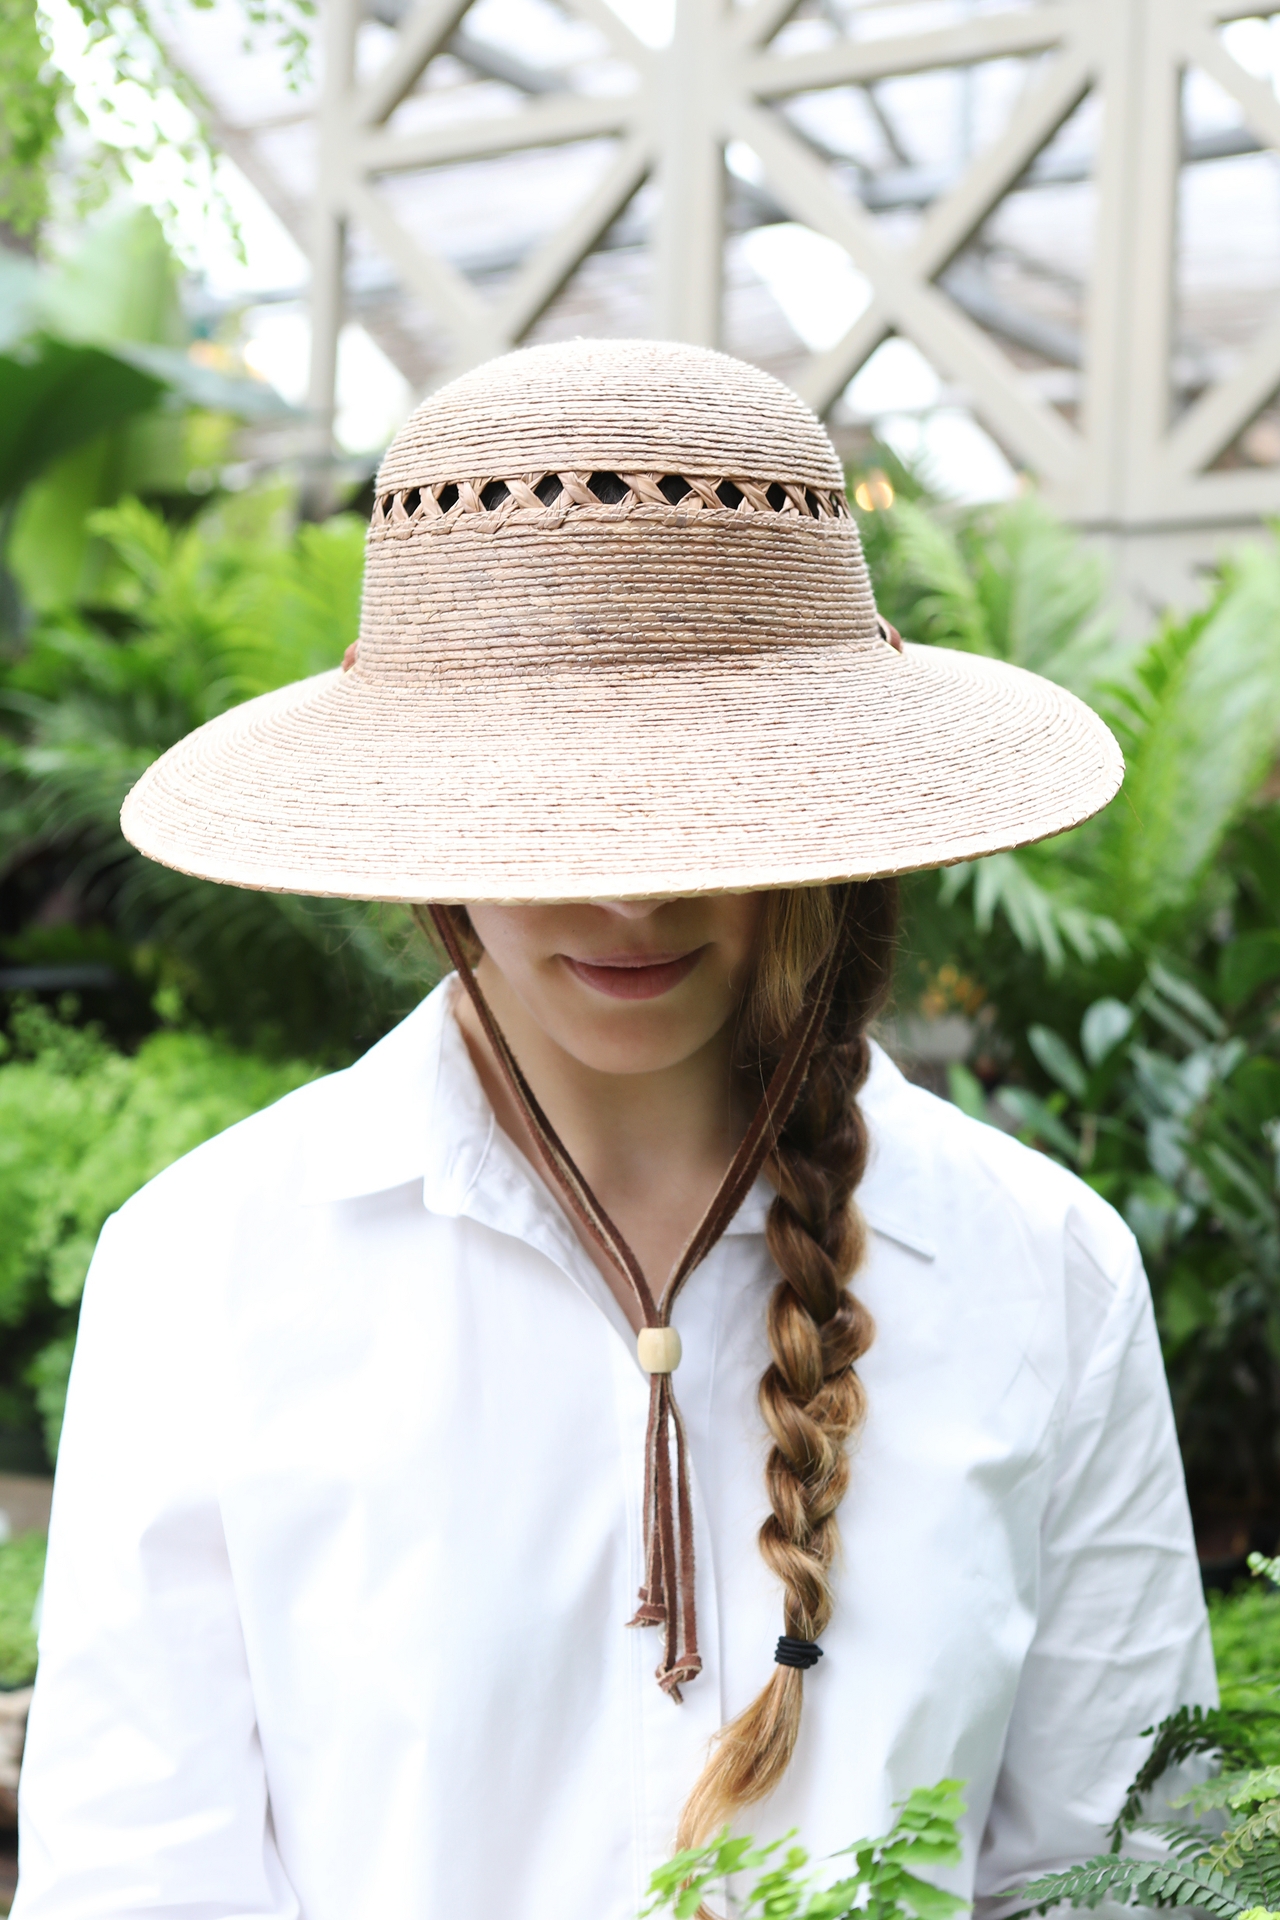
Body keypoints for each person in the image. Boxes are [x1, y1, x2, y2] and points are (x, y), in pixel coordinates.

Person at [13, 340, 1212, 1920]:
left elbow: (1123, 1875)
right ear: (418, 819)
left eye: (706, 805)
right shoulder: (211, 1267)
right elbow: (137, 1883)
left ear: (830, 807)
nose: (634, 891)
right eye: (550, 814)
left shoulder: (1041, 1268)